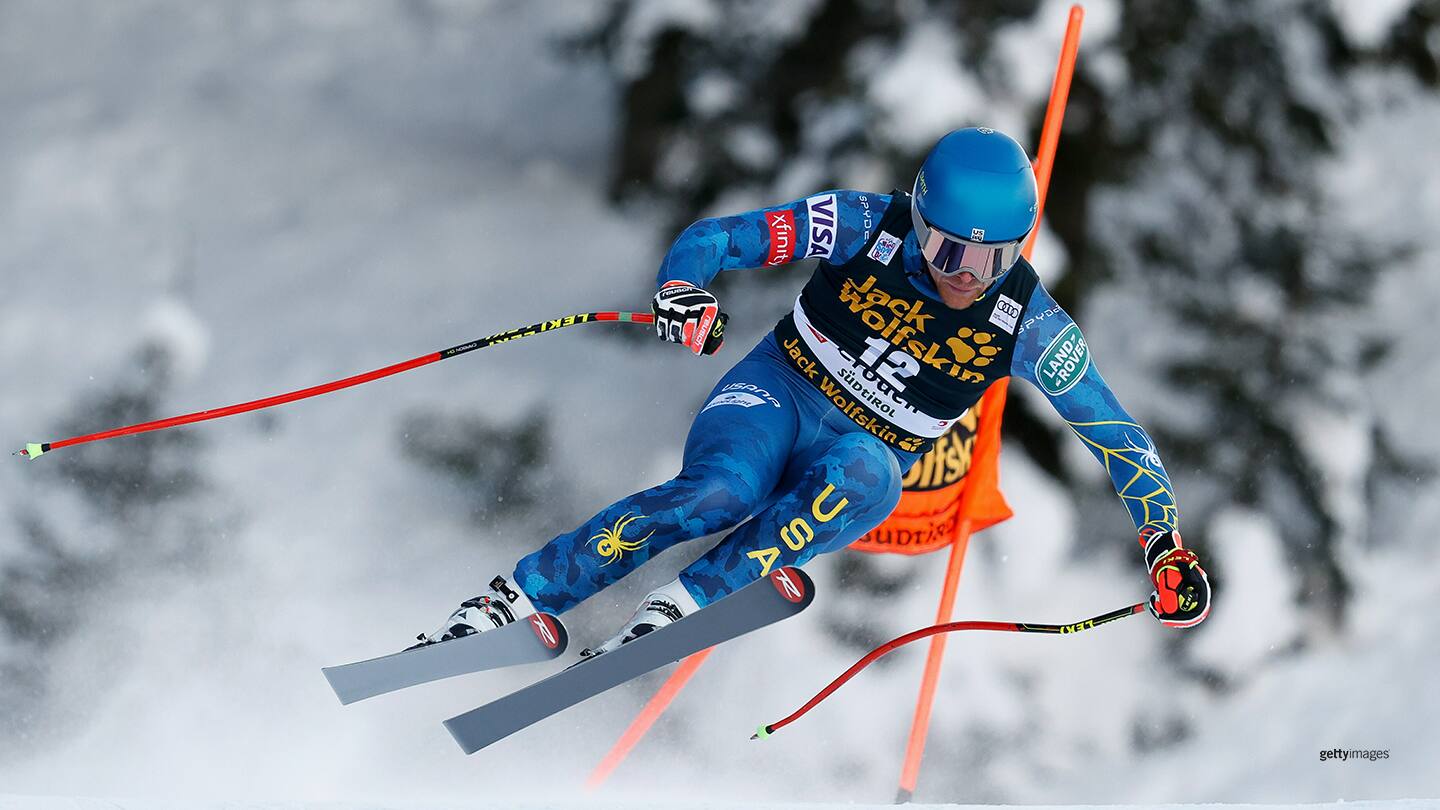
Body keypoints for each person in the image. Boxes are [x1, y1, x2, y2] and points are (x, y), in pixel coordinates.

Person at [420, 127, 1210, 656]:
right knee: (721, 492)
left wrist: (1162, 543)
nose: (961, 275)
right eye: (943, 247)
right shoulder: (865, 224)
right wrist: (684, 291)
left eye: (989, 260)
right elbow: (717, 238)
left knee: (869, 474)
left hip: (859, 454)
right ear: (919, 213)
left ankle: (686, 604)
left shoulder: (1030, 324)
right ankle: (516, 598)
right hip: (778, 395)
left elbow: (1118, 435)